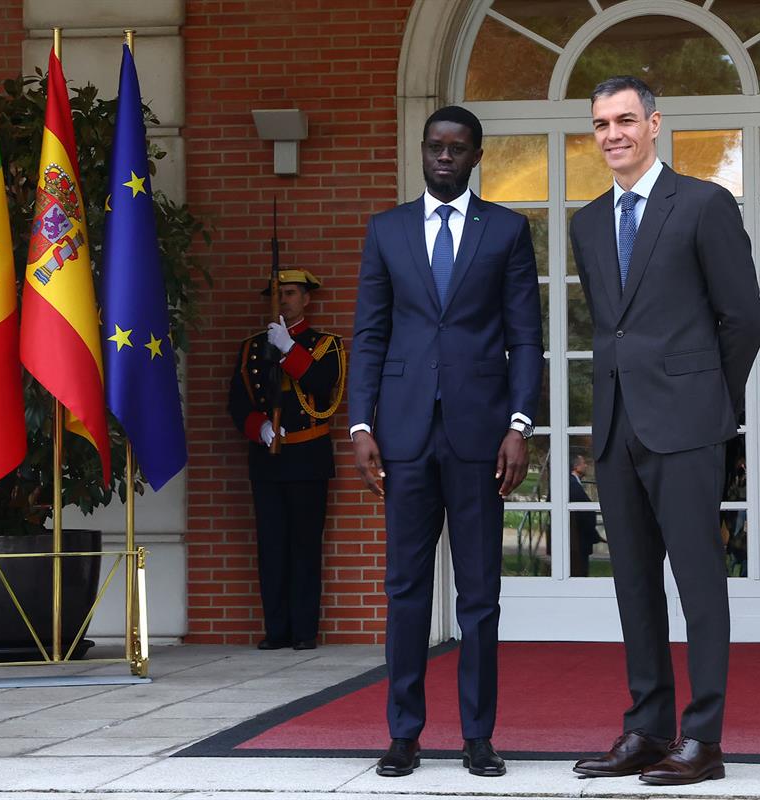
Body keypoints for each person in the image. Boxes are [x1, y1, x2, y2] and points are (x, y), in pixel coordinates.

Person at [568, 76, 760, 786]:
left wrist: (711, 400)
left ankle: (703, 739)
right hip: (618, 426)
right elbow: (609, 326)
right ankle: (647, 730)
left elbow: (743, 318)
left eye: (625, 120)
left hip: (687, 424)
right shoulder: (587, 222)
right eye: (600, 124)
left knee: (698, 582)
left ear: (655, 124)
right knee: (633, 585)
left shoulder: (704, 205)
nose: (612, 134)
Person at [348, 105, 544, 778]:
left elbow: (525, 338)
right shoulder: (387, 230)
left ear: (475, 156)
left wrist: (519, 425)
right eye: (434, 146)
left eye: (457, 149)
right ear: (422, 151)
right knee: (404, 588)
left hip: (480, 435)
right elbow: (369, 333)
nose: (443, 157)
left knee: (480, 595)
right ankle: (403, 733)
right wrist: (359, 423)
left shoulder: (509, 231)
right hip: (401, 434)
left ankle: (478, 736)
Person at [227, 269, 345, 652]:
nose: (285, 301)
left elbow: (322, 386)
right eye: (279, 294)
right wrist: (258, 426)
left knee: (305, 547)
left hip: (308, 456)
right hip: (269, 460)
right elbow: (237, 402)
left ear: (306, 299)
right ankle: (276, 629)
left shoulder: (325, 345)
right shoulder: (251, 347)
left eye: (292, 294)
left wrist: (290, 350)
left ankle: (304, 631)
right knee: (272, 547)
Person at [568, 454, 601, 577]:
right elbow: (583, 515)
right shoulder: (572, 486)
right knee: (579, 572)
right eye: (583, 463)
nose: (586, 465)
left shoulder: (573, 484)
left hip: (579, 539)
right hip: (577, 541)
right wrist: (593, 533)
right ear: (576, 466)